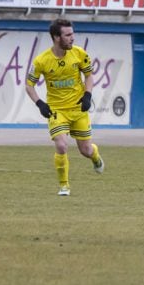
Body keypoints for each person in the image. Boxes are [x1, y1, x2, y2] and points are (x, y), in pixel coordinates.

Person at [25, 19, 105, 196]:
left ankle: (96, 156)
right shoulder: (41, 61)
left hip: (78, 109)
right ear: (56, 38)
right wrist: (39, 103)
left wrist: (88, 94)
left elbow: (89, 76)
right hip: (57, 111)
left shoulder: (79, 54)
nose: (72, 38)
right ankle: (64, 186)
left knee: (86, 150)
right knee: (61, 146)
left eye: (72, 34)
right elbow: (29, 85)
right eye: (68, 35)